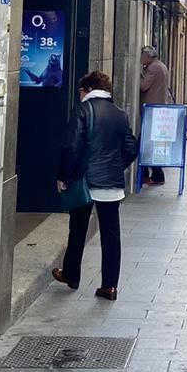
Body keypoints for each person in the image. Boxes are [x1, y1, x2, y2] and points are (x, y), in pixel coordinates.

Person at [51, 71, 138, 301]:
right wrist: (115, 167)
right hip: (111, 184)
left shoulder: (83, 110)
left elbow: (72, 147)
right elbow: (131, 148)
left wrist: (64, 176)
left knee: (78, 228)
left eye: (81, 91)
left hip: (85, 181)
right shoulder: (120, 113)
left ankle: (71, 274)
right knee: (111, 235)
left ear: (87, 89)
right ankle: (109, 285)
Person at [139, 46, 171, 183]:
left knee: (145, 142)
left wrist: (139, 76)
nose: (141, 58)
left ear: (148, 56)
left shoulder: (153, 68)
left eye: (142, 55)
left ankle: (155, 174)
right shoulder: (161, 66)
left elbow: (143, 86)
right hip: (158, 109)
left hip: (152, 110)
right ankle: (148, 174)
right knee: (148, 142)